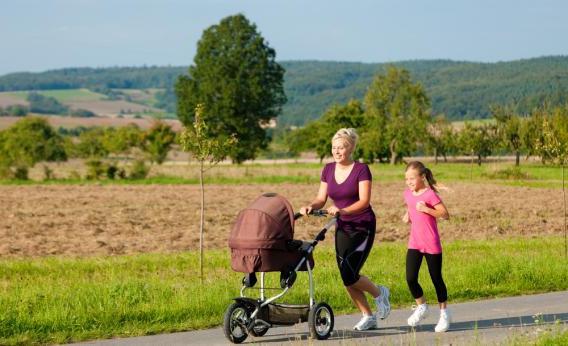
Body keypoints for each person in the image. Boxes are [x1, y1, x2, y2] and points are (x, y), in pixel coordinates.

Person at [300, 128, 390, 331]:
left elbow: (365, 201)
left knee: (351, 273)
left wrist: (342, 209)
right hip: (342, 226)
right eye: (334, 147)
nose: (337, 151)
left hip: (362, 225)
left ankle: (379, 293)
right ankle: (368, 316)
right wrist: (311, 206)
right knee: (345, 276)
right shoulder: (328, 169)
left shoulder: (361, 169)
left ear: (351, 148)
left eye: (341, 147)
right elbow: (321, 198)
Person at [402, 161, 451, 332]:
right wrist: (408, 214)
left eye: (412, 178)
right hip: (415, 242)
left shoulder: (430, 195)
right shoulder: (407, 194)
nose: (409, 182)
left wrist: (427, 209)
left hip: (431, 242)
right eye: (406, 179)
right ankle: (421, 306)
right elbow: (410, 207)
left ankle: (444, 314)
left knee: (436, 278)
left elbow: (445, 215)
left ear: (422, 177)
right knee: (410, 278)